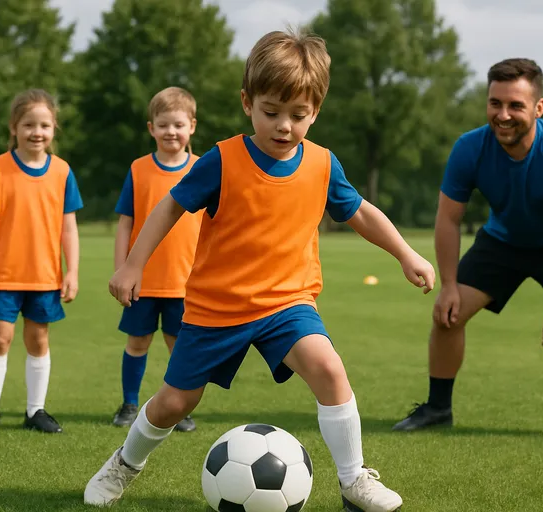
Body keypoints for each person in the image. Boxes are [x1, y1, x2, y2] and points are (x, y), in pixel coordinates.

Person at [84, 29, 435, 510]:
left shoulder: (322, 165)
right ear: (247, 103)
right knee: (175, 403)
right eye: (272, 112)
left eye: (299, 115)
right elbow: (168, 207)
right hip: (215, 308)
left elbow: (361, 213)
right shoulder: (221, 160)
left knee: (329, 369)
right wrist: (132, 266)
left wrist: (406, 253)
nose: (285, 126)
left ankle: (354, 480)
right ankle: (124, 464)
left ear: (317, 111)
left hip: (286, 303)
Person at [392, 58, 543, 444]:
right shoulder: (470, 147)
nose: (503, 115)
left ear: (538, 108)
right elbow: (447, 219)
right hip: (501, 244)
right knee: (448, 315)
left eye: (515, 105)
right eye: (495, 103)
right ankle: (438, 408)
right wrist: (449, 285)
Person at [0, 88, 83, 439]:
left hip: (45, 277)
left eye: (45, 125)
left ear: (54, 129)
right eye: (29, 124)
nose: (37, 132)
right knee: (1, 340)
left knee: (38, 341)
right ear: (14, 128)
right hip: (3, 275)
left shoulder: (63, 172)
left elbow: (69, 228)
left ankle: (35, 410)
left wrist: (72, 271)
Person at [111, 87, 202, 432]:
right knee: (137, 342)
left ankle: (177, 408)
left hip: (186, 282)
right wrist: (122, 269)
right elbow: (126, 223)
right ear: (151, 128)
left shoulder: (201, 169)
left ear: (191, 126)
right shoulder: (138, 169)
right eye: (163, 125)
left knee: (179, 347)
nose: (171, 132)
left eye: (178, 124)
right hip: (143, 281)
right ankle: (130, 404)